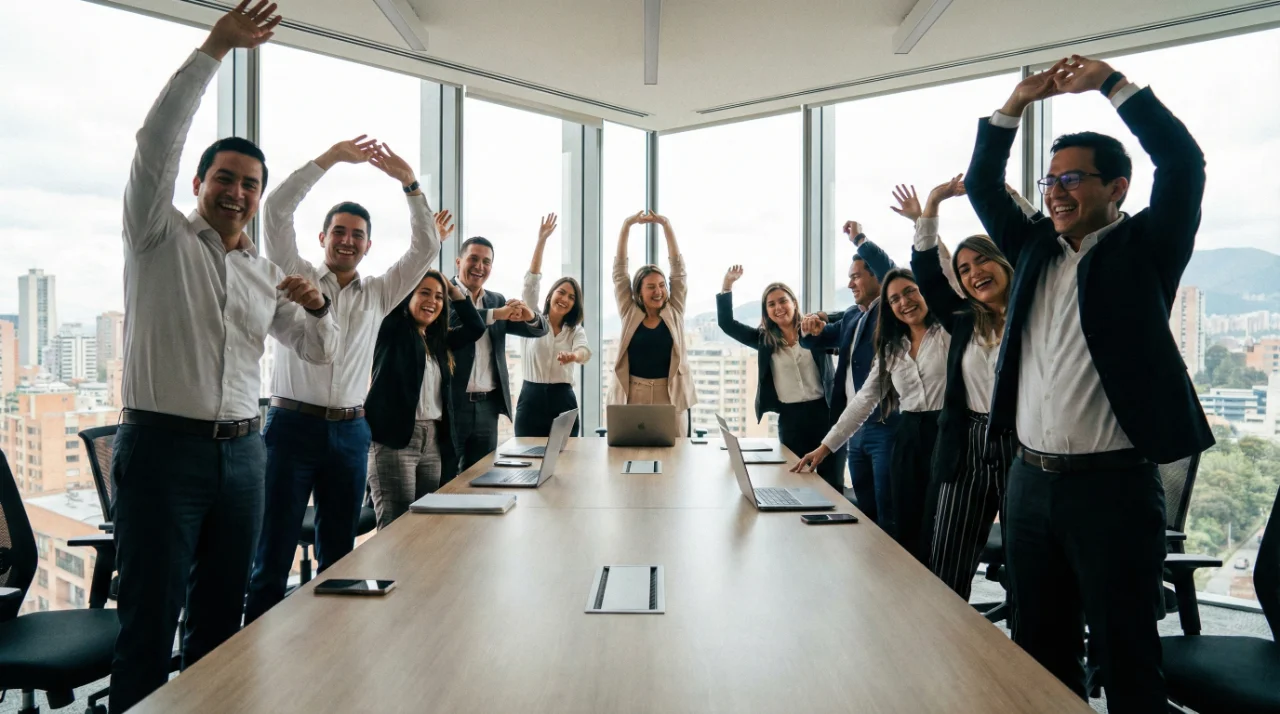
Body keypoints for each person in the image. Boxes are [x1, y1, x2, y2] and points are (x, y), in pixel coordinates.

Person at [965, 55, 1212, 712]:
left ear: (1118, 188)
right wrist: (1014, 103)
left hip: (1112, 489)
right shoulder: (1034, 248)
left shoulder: (1148, 250)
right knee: (1037, 653)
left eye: (1073, 179)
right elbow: (984, 184)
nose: (1055, 192)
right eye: (1050, 181)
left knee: (1126, 657)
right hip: (1028, 485)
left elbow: (1184, 164)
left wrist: (1111, 85)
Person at [109, 3, 337, 711]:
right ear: (198, 183)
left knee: (224, 621)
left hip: (245, 453)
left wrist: (319, 305)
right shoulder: (158, 237)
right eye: (225, 178)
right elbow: (156, 140)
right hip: (161, 449)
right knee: (149, 623)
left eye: (249, 185)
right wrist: (214, 48)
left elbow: (315, 351)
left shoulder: (263, 272)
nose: (237, 192)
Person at [244, 137, 443, 623]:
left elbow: (426, 248)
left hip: (353, 432)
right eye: (339, 232)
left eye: (357, 235)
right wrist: (329, 160)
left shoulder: (379, 294)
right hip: (291, 427)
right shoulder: (299, 274)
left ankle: (330, 644)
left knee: (340, 553)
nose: (347, 240)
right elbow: (275, 211)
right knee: (272, 551)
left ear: (368, 245)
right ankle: (250, 662)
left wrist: (410, 184)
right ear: (323, 238)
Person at [896, 178, 1018, 601]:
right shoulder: (963, 318)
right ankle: (940, 650)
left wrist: (1003, 194)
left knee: (1028, 566)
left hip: (1022, 445)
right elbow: (928, 271)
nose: (973, 273)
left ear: (1005, 262)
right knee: (945, 559)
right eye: (964, 270)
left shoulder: (1034, 314)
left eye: (982, 262)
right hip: (965, 442)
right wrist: (931, 206)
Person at [794, 267, 948, 564]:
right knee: (902, 523)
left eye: (910, 292)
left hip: (945, 433)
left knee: (937, 526)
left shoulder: (948, 333)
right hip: (909, 437)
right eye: (895, 299)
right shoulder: (891, 347)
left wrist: (921, 222)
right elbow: (864, 399)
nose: (904, 302)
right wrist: (825, 448)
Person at [365, 270, 486, 527]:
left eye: (439, 297)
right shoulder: (392, 329)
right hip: (396, 441)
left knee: (425, 523)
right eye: (424, 293)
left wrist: (454, 291)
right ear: (407, 295)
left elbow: (476, 327)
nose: (432, 300)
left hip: (432, 441)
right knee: (395, 526)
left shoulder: (437, 341)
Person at [799, 225, 895, 526]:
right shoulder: (853, 315)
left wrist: (860, 240)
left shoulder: (891, 311)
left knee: (888, 511)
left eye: (856, 276)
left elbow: (887, 268)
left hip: (886, 425)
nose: (850, 283)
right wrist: (809, 330)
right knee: (865, 510)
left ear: (875, 277)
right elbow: (818, 339)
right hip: (856, 430)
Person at [717, 267, 842, 491]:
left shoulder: (815, 331)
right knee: (795, 483)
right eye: (771, 304)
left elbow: (848, 317)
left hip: (826, 414)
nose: (778, 308)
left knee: (831, 484)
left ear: (794, 302)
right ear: (766, 312)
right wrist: (727, 285)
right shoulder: (764, 340)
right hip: (791, 419)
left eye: (783, 301)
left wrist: (820, 317)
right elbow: (727, 324)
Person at [449, 236, 549, 474]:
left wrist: (529, 316)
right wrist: (496, 314)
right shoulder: (444, 294)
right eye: (473, 259)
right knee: (447, 477)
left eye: (486, 261)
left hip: (487, 407)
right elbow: (455, 321)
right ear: (458, 261)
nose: (479, 266)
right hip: (453, 403)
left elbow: (540, 329)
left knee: (482, 476)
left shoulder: (496, 300)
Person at [608, 211, 695, 433]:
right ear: (638, 291)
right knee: (629, 456)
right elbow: (619, 272)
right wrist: (627, 225)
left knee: (674, 456)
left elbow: (678, 271)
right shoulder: (629, 312)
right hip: (633, 394)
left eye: (661, 285)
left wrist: (666, 225)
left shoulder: (674, 309)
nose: (658, 291)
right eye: (650, 287)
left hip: (670, 393)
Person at [515, 213, 590, 437]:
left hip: (563, 399)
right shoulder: (532, 320)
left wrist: (573, 356)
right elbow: (531, 283)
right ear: (550, 296)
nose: (565, 299)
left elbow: (585, 351)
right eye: (561, 292)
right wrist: (541, 241)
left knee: (566, 460)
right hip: (531, 397)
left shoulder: (575, 330)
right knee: (526, 457)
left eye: (571, 297)